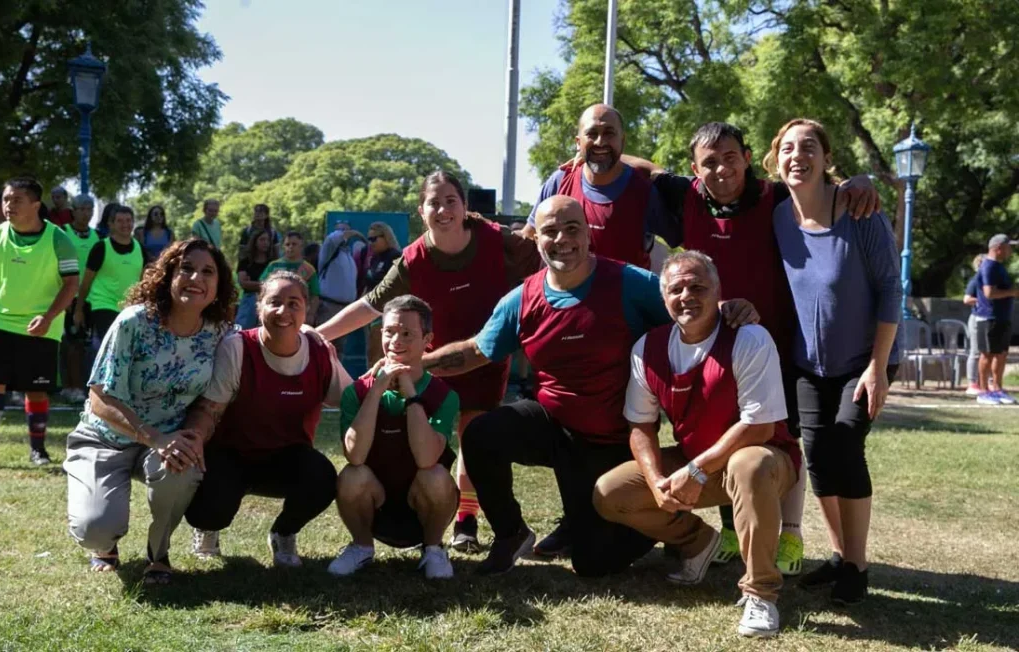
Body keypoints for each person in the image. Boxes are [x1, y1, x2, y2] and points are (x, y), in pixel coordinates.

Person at [421, 195, 756, 576]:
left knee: (593, 562)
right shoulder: (523, 298)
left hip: (611, 440)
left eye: (572, 228)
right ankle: (511, 534)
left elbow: (686, 304)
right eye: (550, 231)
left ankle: (680, 532)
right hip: (552, 425)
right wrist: (417, 363)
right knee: (481, 433)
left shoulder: (628, 283)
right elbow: (476, 351)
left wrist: (730, 308)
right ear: (536, 239)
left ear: (588, 234)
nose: (562, 239)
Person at [620, 121, 880, 574]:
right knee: (721, 429)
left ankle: (791, 535)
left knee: (784, 436)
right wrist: (582, 159)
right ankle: (729, 530)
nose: (722, 169)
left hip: (780, 338)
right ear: (694, 169)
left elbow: (819, 189)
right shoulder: (683, 196)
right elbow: (646, 168)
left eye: (730, 158)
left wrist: (858, 182)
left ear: (747, 157)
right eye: (709, 162)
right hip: (718, 339)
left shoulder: (774, 196)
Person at [314, 171, 541, 552]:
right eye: (434, 203)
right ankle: (415, 512)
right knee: (425, 439)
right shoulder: (413, 259)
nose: (443, 210)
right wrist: (317, 335)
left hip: (483, 359)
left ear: (464, 206)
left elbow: (547, 266)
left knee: (473, 435)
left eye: (451, 201)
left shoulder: (498, 240)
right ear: (421, 210)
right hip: (431, 363)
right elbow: (370, 305)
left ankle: (466, 520)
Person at [594, 251, 801, 638]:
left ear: (718, 292)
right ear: (664, 299)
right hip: (700, 464)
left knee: (748, 465)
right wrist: (656, 481)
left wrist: (695, 471)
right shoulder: (648, 348)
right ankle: (698, 543)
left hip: (767, 461)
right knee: (611, 492)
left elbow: (759, 427)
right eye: (676, 289)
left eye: (697, 287)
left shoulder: (749, 338)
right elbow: (640, 426)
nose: (686, 296)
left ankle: (761, 593)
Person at [765, 118, 901, 605]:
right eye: (787, 148)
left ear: (826, 158)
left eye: (808, 147)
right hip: (809, 364)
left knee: (844, 444)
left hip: (866, 361)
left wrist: (878, 368)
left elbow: (891, 289)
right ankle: (840, 555)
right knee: (818, 455)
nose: (797, 156)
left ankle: (857, 566)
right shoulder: (778, 216)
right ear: (775, 161)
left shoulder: (861, 211)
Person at [63, 238, 236, 584]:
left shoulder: (219, 334)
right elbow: (99, 396)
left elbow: (210, 402)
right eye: (186, 268)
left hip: (169, 438)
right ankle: (105, 546)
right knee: (94, 529)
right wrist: (152, 436)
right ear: (167, 275)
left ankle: (159, 553)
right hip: (107, 438)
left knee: (182, 468)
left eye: (207, 272)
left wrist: (194, 435)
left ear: (218, 287)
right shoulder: (134, 322)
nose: (196, 278)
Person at [183, 271, 351, 566]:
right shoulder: (236, 347)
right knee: (209, 509)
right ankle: (207, 529)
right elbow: (209, 410)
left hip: (286, 459)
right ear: (259, 307)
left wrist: (386, 383)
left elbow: (353, 400)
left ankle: (283, 533)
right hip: (231, 455)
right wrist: (192, 440)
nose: (283, 311)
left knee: (323, 477)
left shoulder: (320, 350)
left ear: (307, 309)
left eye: (293, 303)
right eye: (274, 302)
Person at [328, 295, 460, 579]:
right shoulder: (357, 392)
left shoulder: (443, 395)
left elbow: (426, 458)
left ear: (427, 339)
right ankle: (361, 547)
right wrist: (376, 390)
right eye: (389, 332)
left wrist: (411, 394)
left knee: (436, 475)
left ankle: (433, 549)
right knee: (351, 475)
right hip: (375, 510)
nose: (396, 341)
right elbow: (356, 455)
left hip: (423, 510)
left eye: (407, 333)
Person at [522, 103, 670, 271]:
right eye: (592, 134)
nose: (600, 141)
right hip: (565, 289)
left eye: (609, 133)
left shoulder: (644, 190)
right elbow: (528, 238)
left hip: (624, 289)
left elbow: (688, 241)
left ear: (622, 140)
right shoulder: (560, 181)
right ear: (578, 142)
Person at [0, 178, 79, 465]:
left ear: (35, 205)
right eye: (6, 199)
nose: (9, 205)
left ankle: (38, 450)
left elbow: (71, 284)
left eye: (17, 200)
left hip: (42, 325)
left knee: (36, 389)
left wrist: (48, 317)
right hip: (0, 322)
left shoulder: (59, 239)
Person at [75, 206, 151, 353]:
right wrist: (79, 310)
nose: (125, 224)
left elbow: (144, 282)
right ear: (111, 224)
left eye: (128, 220)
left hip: (130, 307)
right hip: (104, 305)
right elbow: (86, 282)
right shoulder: (101, 247)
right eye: (120, 221)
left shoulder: (140, 249)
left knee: (127, 350)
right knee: (112, 346)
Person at [60, 194, 102, 404]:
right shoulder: (63, 233)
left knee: (86, 345)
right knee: (71, 343)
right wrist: (65, 298)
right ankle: (71, 387)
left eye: (89, 209)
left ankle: (82, 386)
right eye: (82, 209)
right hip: (68, 296)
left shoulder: (98, 237)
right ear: (73, 211)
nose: (86, 213)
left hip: (92, 298)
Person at [973, 234, 1019, 405]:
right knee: (987, 354)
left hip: (1002, 317)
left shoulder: (999, 267)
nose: (1010, 251)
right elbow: (989, 293)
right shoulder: (989, 266)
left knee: (1001, 354)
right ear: (998, 248)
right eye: (1008, 247)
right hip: (989, 317)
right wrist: (1013, 292)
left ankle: (997, 389)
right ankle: (983, 391)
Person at [316, 221, 368, 344]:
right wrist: (356, 233)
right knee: (323, 343)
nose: (343, 233)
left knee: (339, 348)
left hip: (345, 308)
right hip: (329, 306)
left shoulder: (348, 254)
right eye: (340, 229)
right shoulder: (328, 248)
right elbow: (334, 237)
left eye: (345, 229)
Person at [362, 221, 402, 365]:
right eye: (369, 239)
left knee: (380, 356)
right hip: (370, 313)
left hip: (387, 314)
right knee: (371, 354)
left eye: (374, 239)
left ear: (386, 237)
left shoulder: (395, 257)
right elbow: (369, 284)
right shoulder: (374, 258)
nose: (370, 243)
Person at [260, 231, 320, 323]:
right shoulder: (274, 265)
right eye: (287, 244)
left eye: (294, 244)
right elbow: (262, 287)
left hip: (298, 311)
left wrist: (311, 314)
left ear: (301, 247)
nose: (290, 247)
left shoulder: (308, 269)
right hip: (275, 309)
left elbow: (315, 295)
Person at [235, 229, 277, 329]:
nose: (265, 243)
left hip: (268, 300)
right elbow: (243, 283)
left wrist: (253, 283)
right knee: (243, 329)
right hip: (249, 301)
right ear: (255, 242)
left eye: (267, 240)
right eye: (262, 239)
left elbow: (276, 283)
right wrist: (265, 284)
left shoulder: (273, 263)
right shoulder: (246, 262)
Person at [964, 254, 986, 395]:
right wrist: (983, 301)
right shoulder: (976, 280)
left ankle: (986, 382)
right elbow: (966, 299)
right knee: (975, 351)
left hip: (987, 318)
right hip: (976, 318)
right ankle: (972, 383)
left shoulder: (989, 281)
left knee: (987, 352)